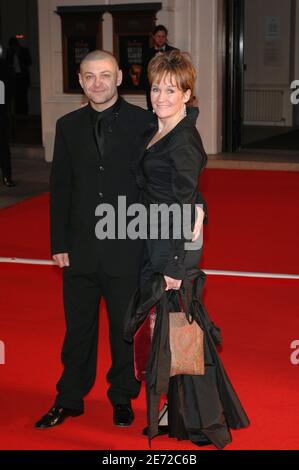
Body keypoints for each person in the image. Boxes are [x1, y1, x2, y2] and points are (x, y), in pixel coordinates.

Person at [34, 49, 202, 430]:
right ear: (80, 81)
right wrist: (58, 242)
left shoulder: (146, 122)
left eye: (105, 75)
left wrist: (193, 216)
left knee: (124, 331)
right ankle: (69, 397)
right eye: (89, 76)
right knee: (77, 329)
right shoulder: (67, 125)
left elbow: (174, 174)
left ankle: (122, 396)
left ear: (120, 77)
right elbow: (60, 187)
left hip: (128, 246)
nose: (98, 83)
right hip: (78, 249)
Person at [127, 50, 250, 449]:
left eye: (172, 89)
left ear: (187, 94)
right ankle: (178, 411)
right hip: (155, 240)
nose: (161, 96)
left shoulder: (182, 141)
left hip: (172, 250)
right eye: (156, 87)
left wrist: (177, 267)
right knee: (169, 335)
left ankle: (201, 419)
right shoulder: (158, 129)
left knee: (180, 335)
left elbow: (185, 204)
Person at [143, 25, 176, 110]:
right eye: (158, 36)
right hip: (152, 88)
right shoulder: (147, 53)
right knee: (152, 113)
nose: (161, 39)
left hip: (170, 88)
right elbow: (145, 72)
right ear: (153, 37)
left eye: (163, 36)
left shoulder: (173, 52)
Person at [0, 55, 15, 187]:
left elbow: (8, 88)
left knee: (3, 146)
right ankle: (6, 177)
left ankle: (6, 176)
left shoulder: (3, 65)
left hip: (0, 112)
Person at [6, 37, 32, 115]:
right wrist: (11, 54)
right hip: (14, 78)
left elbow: (29, 62)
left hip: (23, 78)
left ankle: (24, 114)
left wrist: (19, 56)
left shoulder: (24, 50)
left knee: (23, 97)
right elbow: (7, 64)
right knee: (16, 98)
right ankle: (17, 115)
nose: (13, 47)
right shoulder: (9, 52)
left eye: (14, 45)